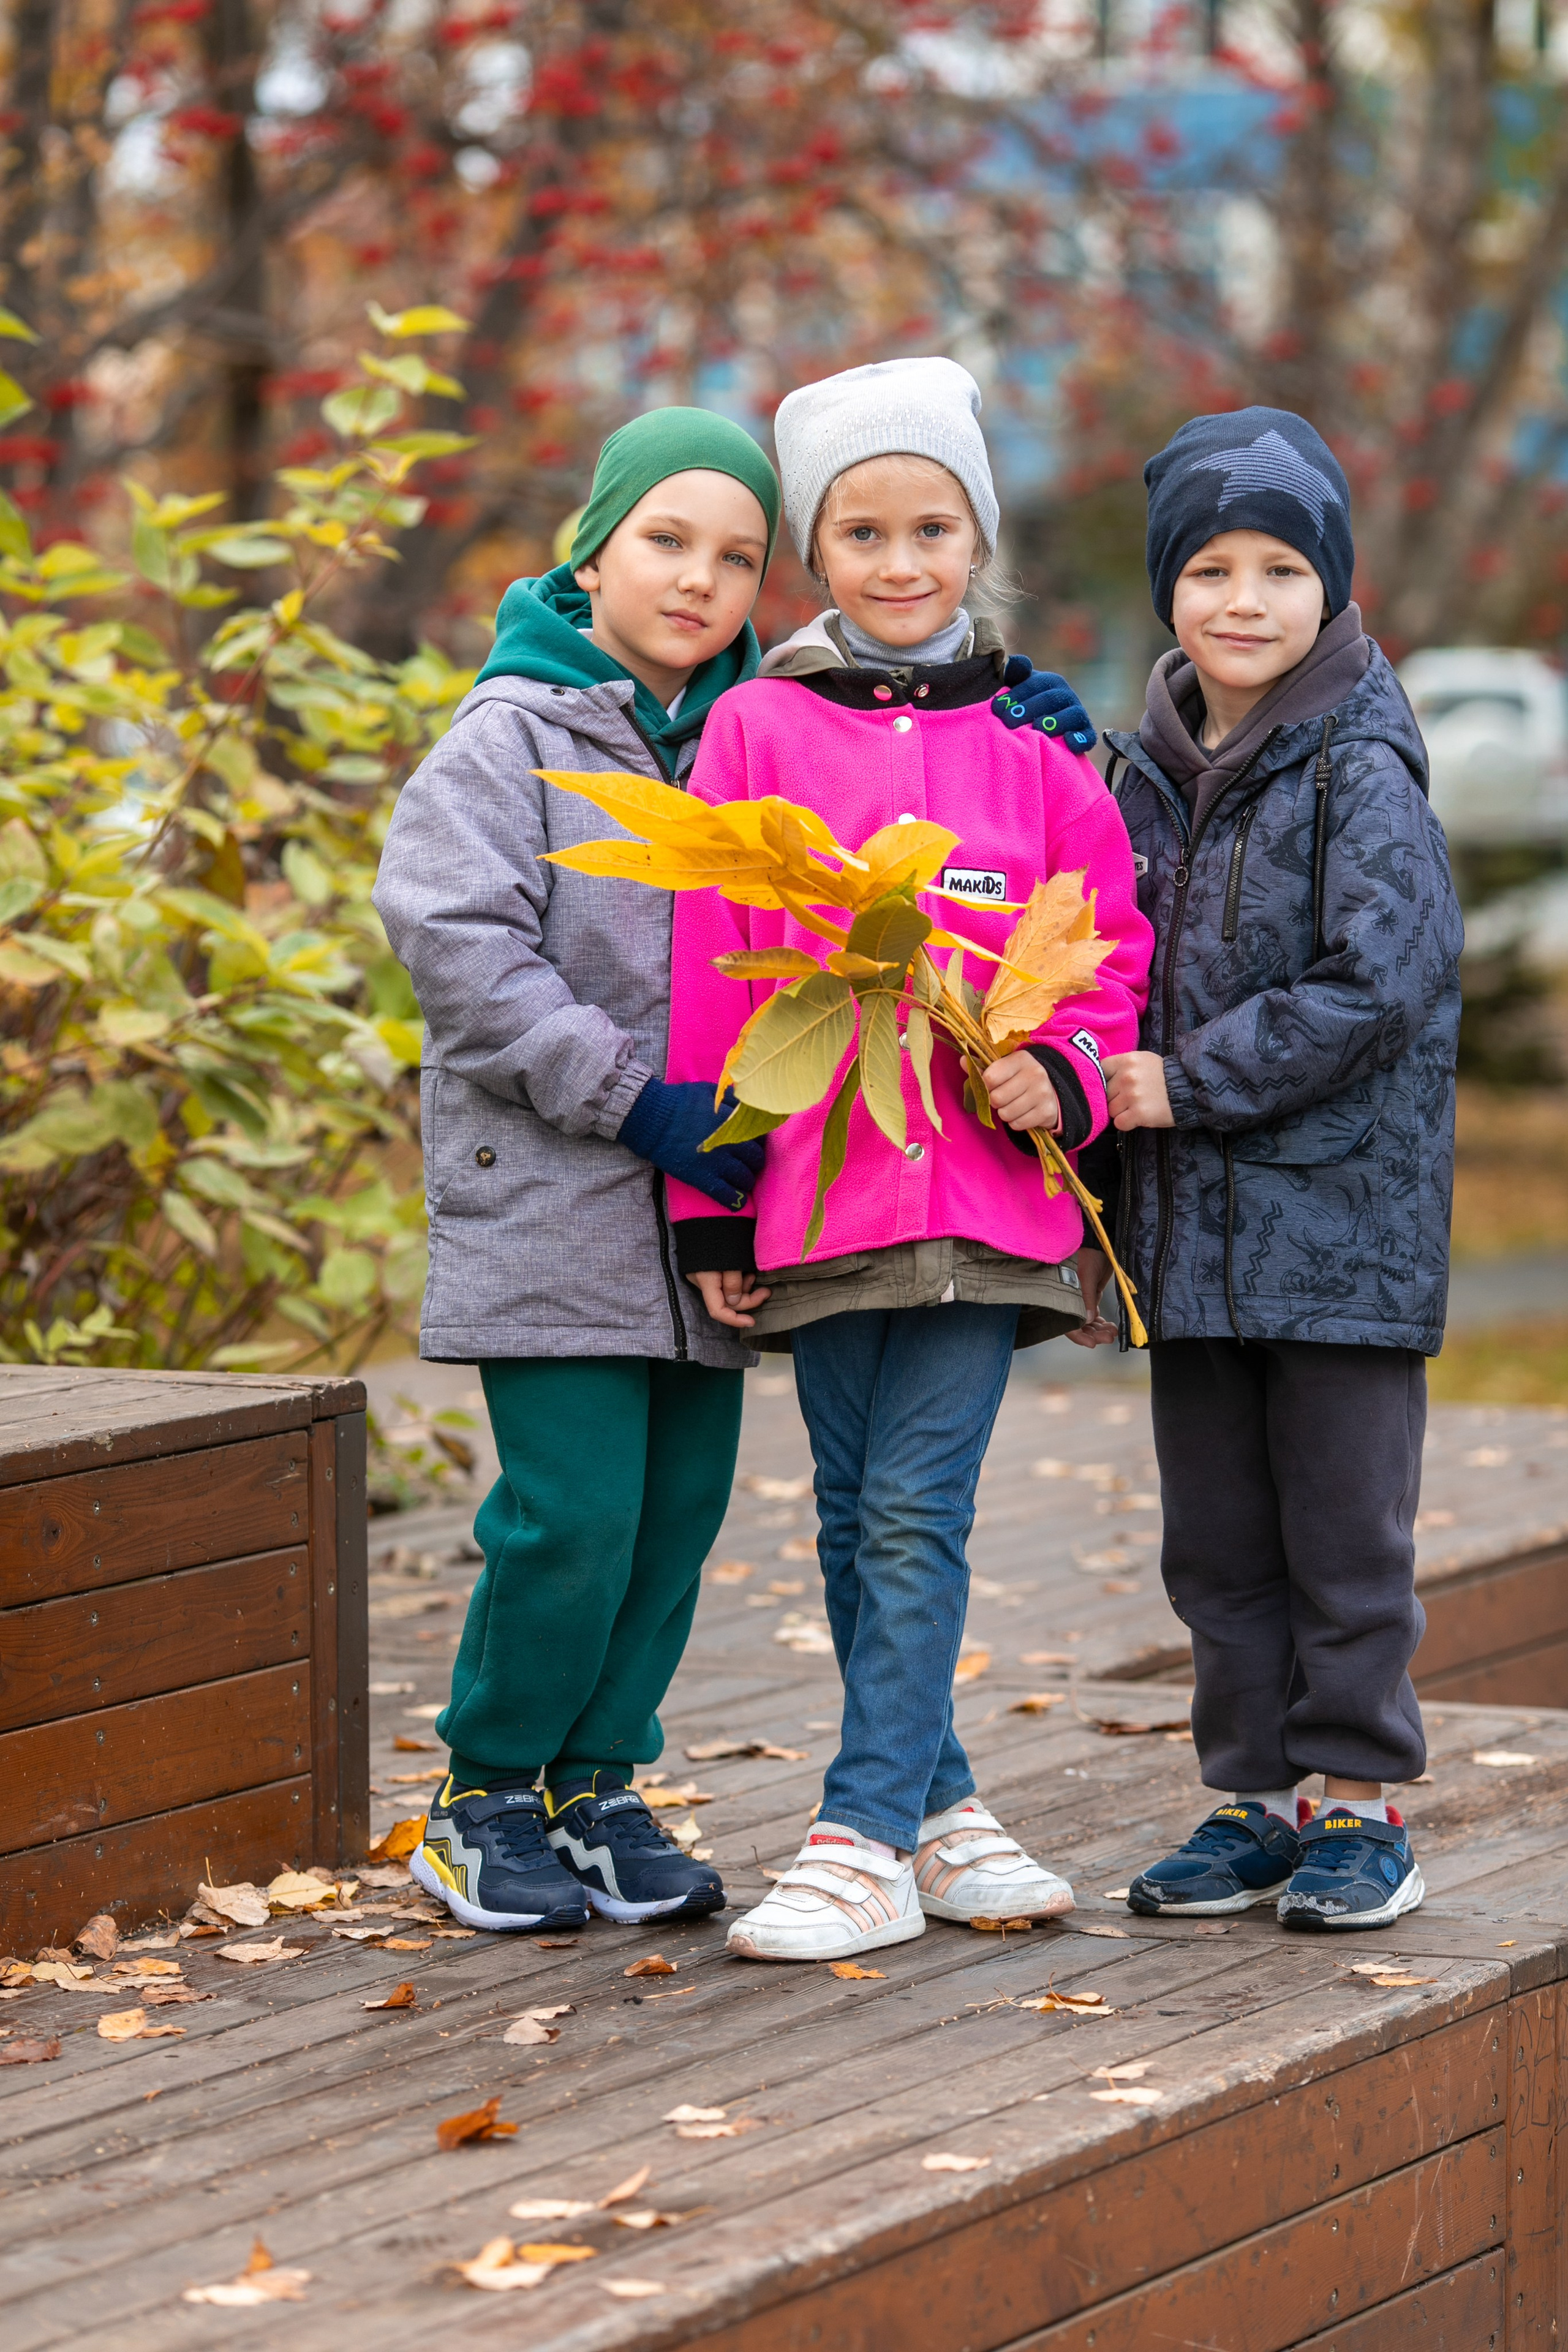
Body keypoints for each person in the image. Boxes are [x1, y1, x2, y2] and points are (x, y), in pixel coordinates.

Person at [663, 356, 1153, 1962]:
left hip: (985, 1187)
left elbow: (1106, 950)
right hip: (817, 1173)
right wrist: (708, 1200)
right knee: (854, 1503)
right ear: (817, 551)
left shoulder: (1035, 737)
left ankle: (859, 1832)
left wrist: (1067, 1075)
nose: (897, 560)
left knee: (915, 1509)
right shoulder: (755, 724)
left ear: (973, 537)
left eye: (929, 524)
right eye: (860, 530)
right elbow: (713, 969)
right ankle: (943, 1813)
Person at [372, 409, 785, 1934]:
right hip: (549, 1190)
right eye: (667, 541)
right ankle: (480, 1797)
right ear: (594, 549)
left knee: (676, 1516)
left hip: (706, 1206)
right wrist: (630, 1092)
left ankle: (596, 1785)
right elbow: (457, 948)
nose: (698, 580)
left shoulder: (757, 743)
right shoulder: (511, 736)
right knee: (569, 1516)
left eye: (737, 556)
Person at [1072, 406, 1463, 1931]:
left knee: (1342, 1539)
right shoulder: (1139, 770)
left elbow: (1384, 982)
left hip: (1340, 1240)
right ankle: (1249, 1801)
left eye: (1281, 570)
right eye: (1212, 569)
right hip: (1186, 1241)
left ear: (1332, 589)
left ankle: (1358, 1806)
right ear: (1167, 590)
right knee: (1217, 1546)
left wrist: (1183, 1083)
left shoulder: (1358, 765)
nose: (1245, 600)